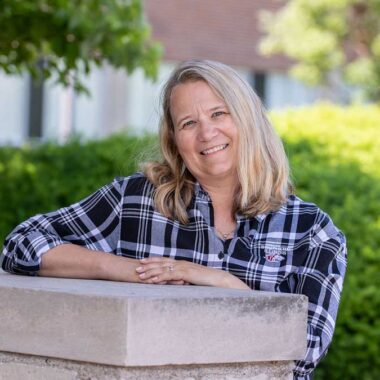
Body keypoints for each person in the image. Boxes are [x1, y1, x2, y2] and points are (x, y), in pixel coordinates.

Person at [1, 60, 347, 379]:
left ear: (248, 119)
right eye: (189, 123)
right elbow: (22, 245)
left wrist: (218, 282)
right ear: (174, 139)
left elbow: (304, 351)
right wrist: (127, 269)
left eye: (218, 114)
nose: (206, 133)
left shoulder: (311, 231)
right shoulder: (134, 201)